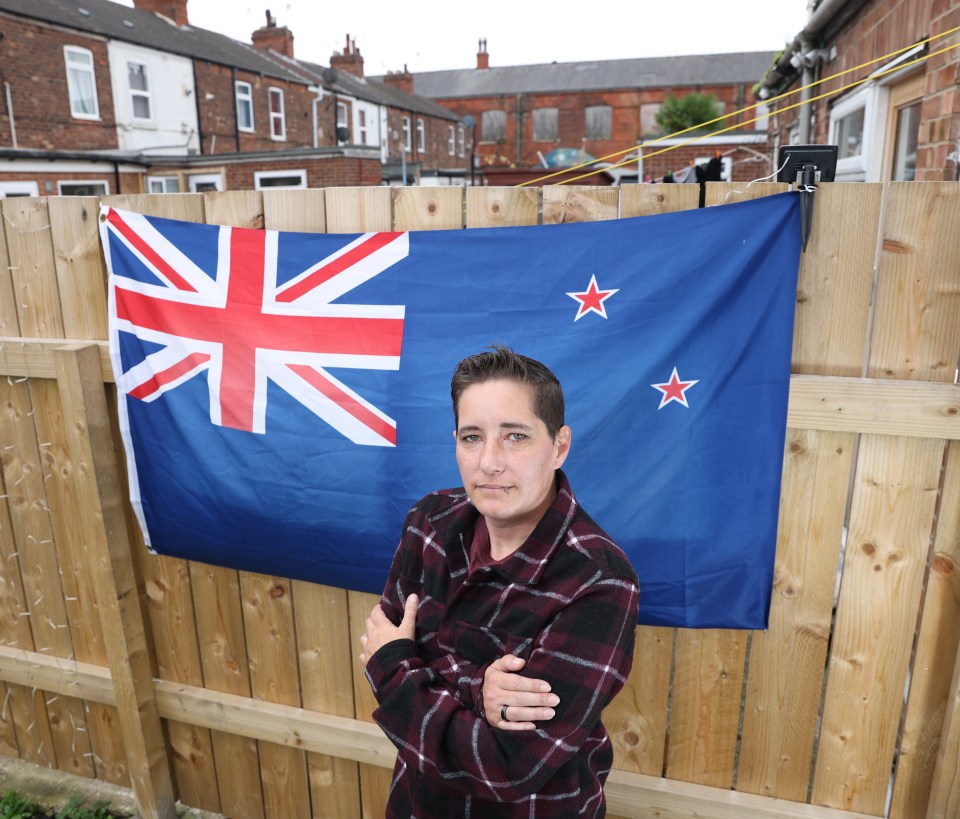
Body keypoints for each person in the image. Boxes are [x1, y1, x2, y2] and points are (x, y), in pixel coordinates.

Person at [359, 346, 639, 818]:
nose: (489, 461)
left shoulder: (599, 580)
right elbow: (378, 649)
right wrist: (477, 689)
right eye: (472, 437)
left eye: (514, 436)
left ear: (560, 446)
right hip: (415, 802)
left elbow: (509, 767)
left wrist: (401, 667)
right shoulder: (428, 522)